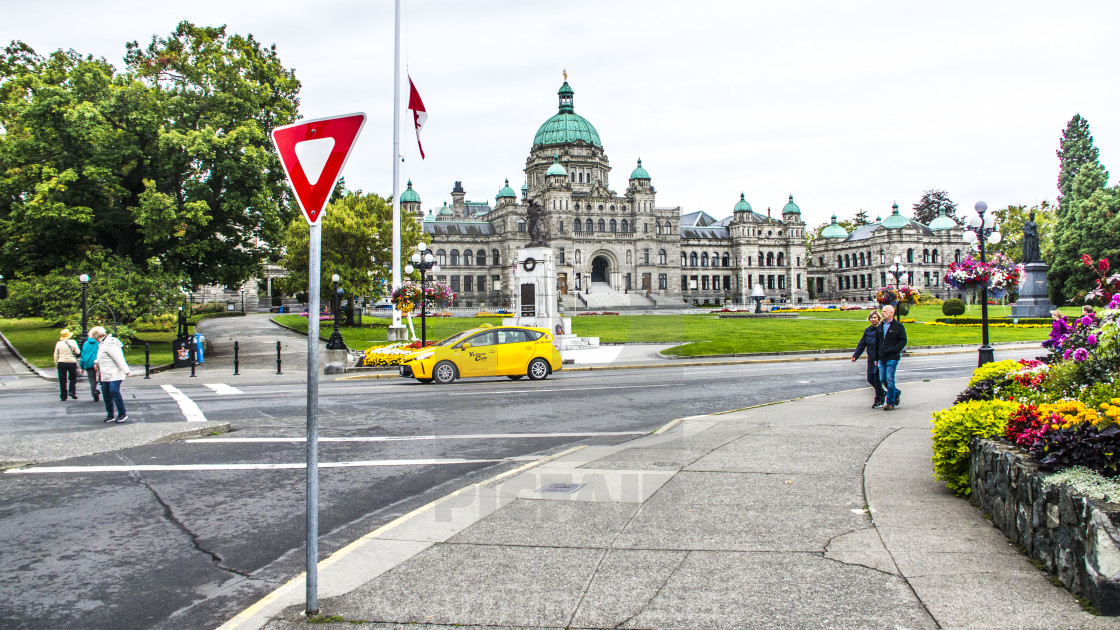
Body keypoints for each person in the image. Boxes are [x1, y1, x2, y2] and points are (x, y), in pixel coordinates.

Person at [90, 326, 130, 423]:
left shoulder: (109, 343)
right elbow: (101, 356)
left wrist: (126, 370)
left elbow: (118, 357)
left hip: (114, 373)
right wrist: (96, 362)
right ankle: (110, 415)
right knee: (106, 394)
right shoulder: (103, 344)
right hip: (106, 374)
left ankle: (122, 413)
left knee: (114, 391)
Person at [876, 304, 907, 411]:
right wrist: (876, 357)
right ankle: (896, 392)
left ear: (891, 313)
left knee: (889, 378)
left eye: (884, 311)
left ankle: (890, 403)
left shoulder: (898, 326)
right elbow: (877, 342)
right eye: (882, 311)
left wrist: (894, 349)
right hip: (882, 357)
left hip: (892, 357)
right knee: (882, 378)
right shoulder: (880, 326)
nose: (882, 313)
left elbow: (903, 340)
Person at [852, 310, 885, 408]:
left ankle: (878, 399)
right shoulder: (868, 331)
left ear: (879, 318)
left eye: (875, 317)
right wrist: (856, 355)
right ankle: (883, 393)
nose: (873, 319)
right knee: (870, 379)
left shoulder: (882, 329)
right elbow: (862, 343)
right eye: (872, 317)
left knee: (877, 380)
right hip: (871, 358)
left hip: (879, 358)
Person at [53, 329, 81, 401]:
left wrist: (56, 363)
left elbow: (56, 354)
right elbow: (78, 352)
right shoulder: (73, 342)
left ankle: (63, 395)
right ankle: (72, 391)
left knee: (62, 380)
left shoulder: (59, 343)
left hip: (61, 362)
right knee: (73, 378)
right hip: (71, 362)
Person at [79, 333, 100, 402]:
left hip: (88, 363)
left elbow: (83, 355)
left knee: (91, 380)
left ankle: (94, 393)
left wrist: (82, 367)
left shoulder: (85, 344)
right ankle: (97, 389)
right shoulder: (98, 343)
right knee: (99, 377)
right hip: (97, 363)